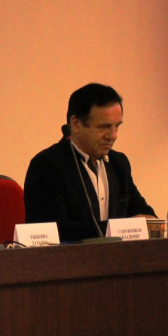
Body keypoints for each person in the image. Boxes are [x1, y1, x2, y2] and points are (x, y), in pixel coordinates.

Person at [24, 83, 155, 241]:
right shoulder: (47, 165)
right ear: (76, 124)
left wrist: (149, 223)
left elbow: (145, 215)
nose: (113, 135)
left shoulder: (119, 163)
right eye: (104, 127)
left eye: (117, 126)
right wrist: (121, 228)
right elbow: (52, 232)